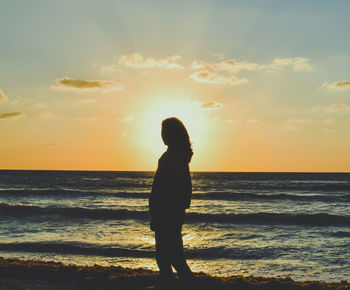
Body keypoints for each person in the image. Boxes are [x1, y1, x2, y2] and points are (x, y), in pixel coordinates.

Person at [149, 117, 194, 285]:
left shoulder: (173, 158)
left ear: (173, 134)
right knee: (169, 254)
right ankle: (169, 280)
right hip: (170, 211)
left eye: (166, 132)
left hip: (167, 211)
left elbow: (170, 187)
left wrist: (161, 210)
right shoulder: (177, 156)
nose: (162, 136)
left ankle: (181, 282)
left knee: (170, 254)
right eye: (162, 132)